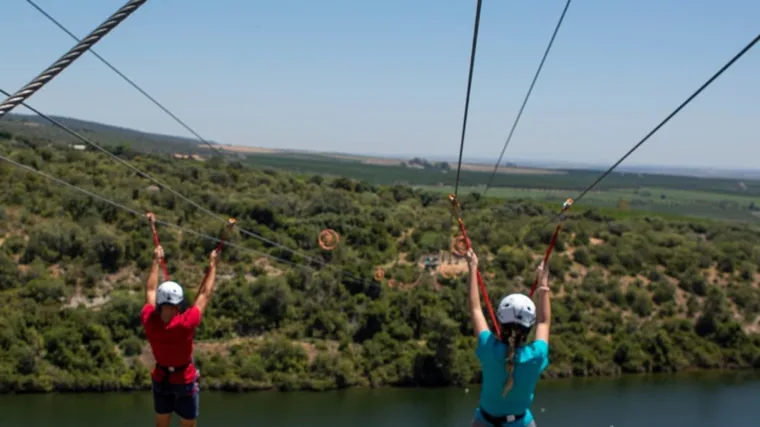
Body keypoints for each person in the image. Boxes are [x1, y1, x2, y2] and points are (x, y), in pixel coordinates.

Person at [465, 249, 552, 427]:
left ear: (499, 321)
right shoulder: (536, 355)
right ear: (529, 327)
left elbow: (475, 308)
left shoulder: (488, 347)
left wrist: (472, 267)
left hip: (485, 422)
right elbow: (544, 322)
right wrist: (543, 284)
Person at [141, 245, 220, 427]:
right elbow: (205, 294)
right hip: (183, 379)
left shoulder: (150, 322)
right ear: (178, 304)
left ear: (160, 303)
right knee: (188, 424)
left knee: (161, 422)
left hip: (161, 378)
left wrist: (155, 261)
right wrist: (213, 265)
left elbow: (150, 290)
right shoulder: (187, 322)